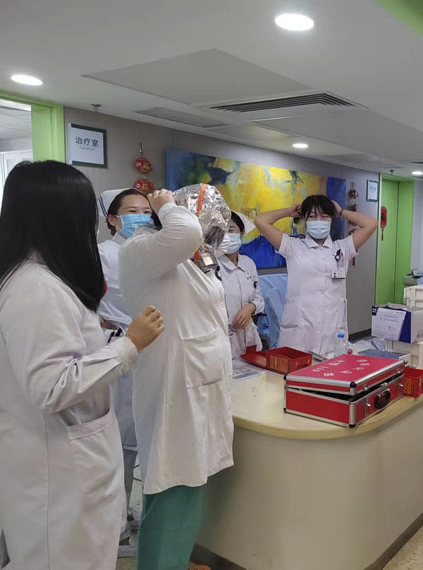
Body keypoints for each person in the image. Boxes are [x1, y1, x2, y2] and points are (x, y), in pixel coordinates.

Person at [0, 161, 163, 570]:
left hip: (43, 455)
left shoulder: (18, 277)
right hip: (58, 469)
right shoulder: (35, 287)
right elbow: (53, 386)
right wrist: (129, 344)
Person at [118, 187, 234, 570]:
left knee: (187, 490)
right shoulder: (140, 250)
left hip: (198, 387)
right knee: (170, 487)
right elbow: (185, 233)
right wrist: (166, 202)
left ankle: (176, 562)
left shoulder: (188, 259)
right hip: (174, 389)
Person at [97, 188, 160, 553]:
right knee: (121, 445)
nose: (141, 216)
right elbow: (87, 300)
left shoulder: (153, 248)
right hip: (122, 351)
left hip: (153, 352)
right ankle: (116, 528)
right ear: (113, 219)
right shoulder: (104, 253)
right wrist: (100, 320)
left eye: (146, 210)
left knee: (144, 440)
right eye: (132, 210)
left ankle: (126, 512)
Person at [254, 195, 377, 356]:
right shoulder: (293, 246)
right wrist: (288, 212)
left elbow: (371, 224)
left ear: (332, 219)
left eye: (325, 216)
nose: (319, 221)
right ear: (305, 219)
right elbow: (260, 220)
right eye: (312, 216)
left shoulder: (342, 248)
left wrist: (341, 212)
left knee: (332, 369)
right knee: (299, 369)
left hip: (332, 333)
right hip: (299, 334)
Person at [216, 211, 265, 357]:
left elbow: (259, 297)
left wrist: (251, 307)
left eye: (231, 230)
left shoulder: (248, 263)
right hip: (223, 337)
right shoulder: (211, 265)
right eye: (221, 231)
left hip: (249, 336)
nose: (226, 236)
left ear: (241, 233)